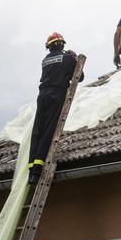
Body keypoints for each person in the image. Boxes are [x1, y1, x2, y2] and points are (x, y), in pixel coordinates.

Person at [28, 33, 84, 185]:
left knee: (38, 131)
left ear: (49, 46)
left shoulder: (45, 60)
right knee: (49, 130)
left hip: (42, 95)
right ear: (62, 44)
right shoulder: (67, 58)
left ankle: (31, 168)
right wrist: (74, 58)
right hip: (56, 94)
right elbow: (80, 76)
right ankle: (37, 170)